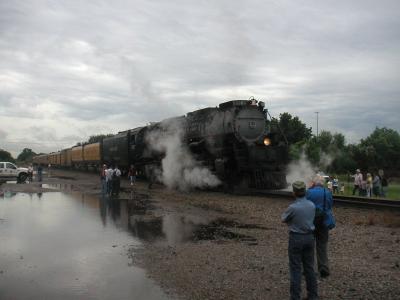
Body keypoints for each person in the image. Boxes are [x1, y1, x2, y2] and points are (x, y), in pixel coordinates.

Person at [282, 181, 318, 300]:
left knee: (295, 269)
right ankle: (313, 296)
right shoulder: (312, 205)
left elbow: (284, 219)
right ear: (305, 192)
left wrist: (292, 222)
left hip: (296, 238)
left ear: (294, 193)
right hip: (309, 238)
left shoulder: (292, 207)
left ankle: (295, 297)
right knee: (309, 268)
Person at [306, 175, 335, 278]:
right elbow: (330, 205)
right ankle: (323, 267)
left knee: (309, 244)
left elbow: (305, 204)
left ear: (314, 182)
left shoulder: (309, 192)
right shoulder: (327, 192)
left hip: (311, 221)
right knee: (322, 244)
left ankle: (308, 268)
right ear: (322, 183)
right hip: (324, 221)